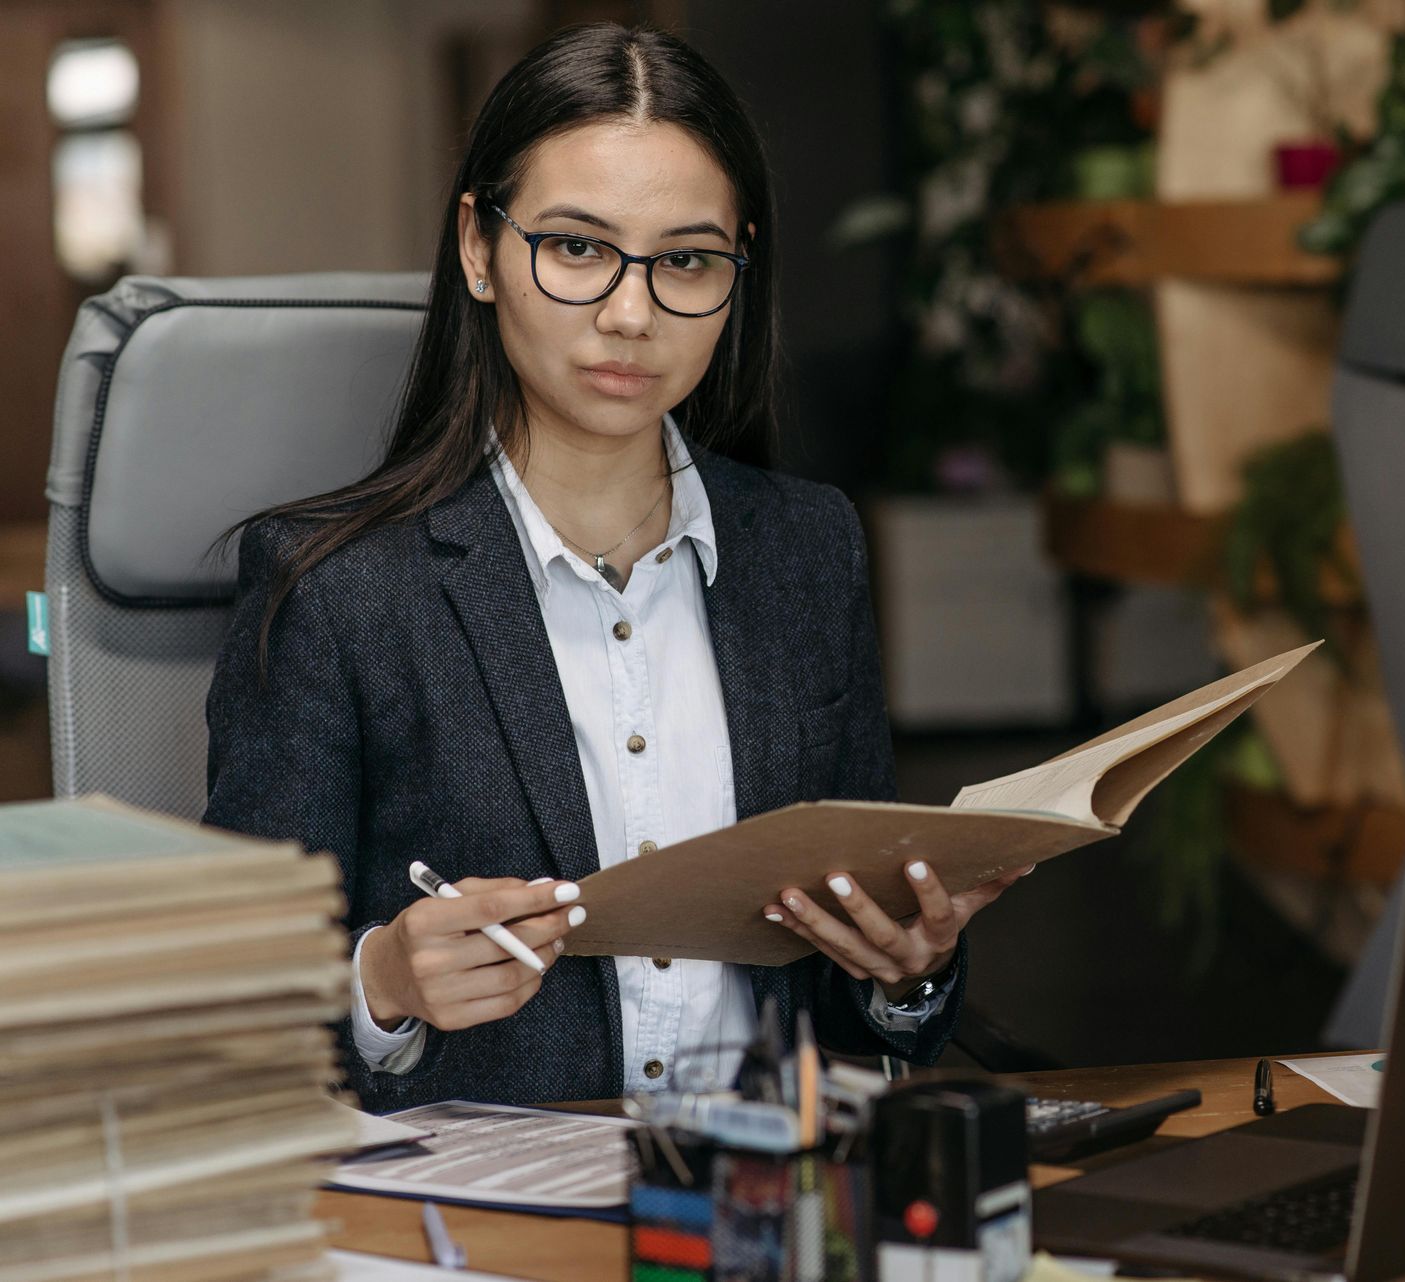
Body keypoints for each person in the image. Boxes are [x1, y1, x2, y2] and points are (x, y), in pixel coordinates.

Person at [202, 22, 1025, 1111]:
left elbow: (847, 1008)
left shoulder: (806, 550)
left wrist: (905, 974)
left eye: (686, 259)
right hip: (478, 1230)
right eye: (578, 248)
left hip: (762, 1200)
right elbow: (232, 1023)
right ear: (477, 249)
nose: (631, 314)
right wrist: (385, 982)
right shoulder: (338, 589)